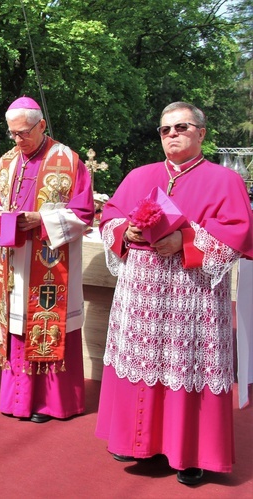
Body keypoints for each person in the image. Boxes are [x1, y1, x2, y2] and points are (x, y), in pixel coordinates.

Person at [95, 102, 253, 485]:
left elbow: (239, 233)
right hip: (142, 293)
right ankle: (136, 442)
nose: (172, 135)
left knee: (188, 365)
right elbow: (110, 216)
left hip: (192, 294)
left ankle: (191, 454)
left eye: (181, 127)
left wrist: (184, 241)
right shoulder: (139, 175)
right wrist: (124, 232)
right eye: (165, 130)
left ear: (201, 132)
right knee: (141, 360)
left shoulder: (225, 180)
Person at [0, 96, 94, 423]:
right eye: (12, 134)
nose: (18, 140)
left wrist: (41, 220)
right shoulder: (6, 163)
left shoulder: (68, 161)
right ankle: (19, 401)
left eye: (24, 133)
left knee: (47, 325)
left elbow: (84, 213)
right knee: (19, 324)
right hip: (16, 257)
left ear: (42, 125)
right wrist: (2, 217)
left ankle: (50, 403)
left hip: (50, 260)